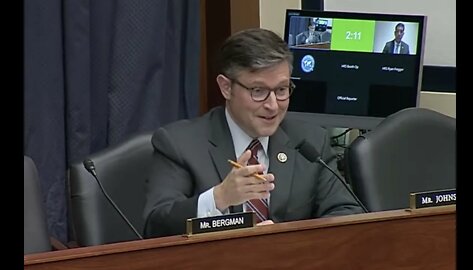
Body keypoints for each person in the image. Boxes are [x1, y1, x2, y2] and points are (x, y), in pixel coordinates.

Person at [143, 28, 365, 238]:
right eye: (258, 91)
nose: (273, 106)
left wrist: (288, 241)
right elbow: (155, 226)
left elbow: (347, 212)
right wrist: (219, 198)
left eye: (281, 90)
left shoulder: (310, 141)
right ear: (226, 87)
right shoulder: (180, 144)